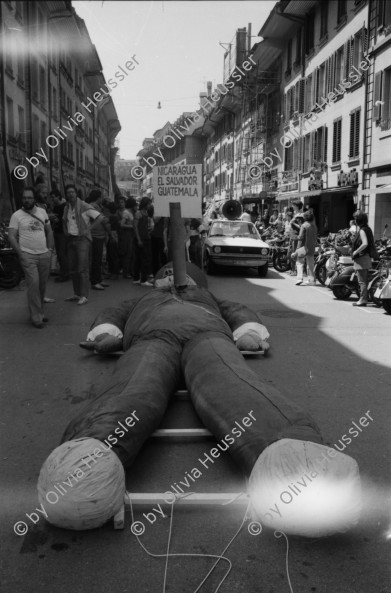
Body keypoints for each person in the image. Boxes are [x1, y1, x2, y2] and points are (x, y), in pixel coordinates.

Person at [8, 187, 54, 328]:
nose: (27, 200)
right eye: (24, 198)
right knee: (33, 284)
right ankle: (36, 317)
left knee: (42, 285)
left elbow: (49, 232)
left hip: (44, 254)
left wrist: (50, 250)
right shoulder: (16, 215)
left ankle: (39, 311)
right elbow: (11, 236)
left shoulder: (42, 212)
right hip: (28, 256)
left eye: (29, 197)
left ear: (34, 199)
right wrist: (21, 254)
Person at [63, 184, 103, 305]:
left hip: (82, 240)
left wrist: (88, 229)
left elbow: (100, 217)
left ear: (76, 194)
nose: (71, 194)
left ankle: (84, 295)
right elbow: (65, 220)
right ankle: (77, 293)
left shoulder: (85, 206)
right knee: (73, 269)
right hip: (71, 239)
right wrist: (65, 231)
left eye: (72, 192)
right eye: (68, 192)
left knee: (83, 269)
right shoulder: (67, 207)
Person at [86, 190, 115, 290]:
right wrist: (110, 233)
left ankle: (98, 279)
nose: (102, 199)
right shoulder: (93, 206)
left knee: (99, 259)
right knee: (96, 259)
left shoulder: (98, 206)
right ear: (98, 197)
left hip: (100, 235)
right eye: (101, 197)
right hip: (96, 235)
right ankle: (95, 281)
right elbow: (103, 220)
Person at [351, 212, 375, 307]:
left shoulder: (362, 230)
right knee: (364, 280)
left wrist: (355, 251)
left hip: (361, 258)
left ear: (358, 220)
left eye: (356, 219)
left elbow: (365, 243)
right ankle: (364, 298)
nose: (355, 221)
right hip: (366, 257)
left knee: (362, 281)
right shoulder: (368, 229)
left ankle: (363, 299)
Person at [49, 190, 69, 283]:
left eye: (53, 197)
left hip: (62, 232)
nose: (52, 199)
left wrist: (56, 220)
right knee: (60, 253)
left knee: (62, 253)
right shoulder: (56, 206)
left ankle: (65, 274)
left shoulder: (64, 206)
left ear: (58, 196)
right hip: (57, 231)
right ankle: (63, 272)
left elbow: (65, 220)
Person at [133, 197, 154, 286]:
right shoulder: (139, 213)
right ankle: (143, 280)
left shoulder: (146, 213)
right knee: (144, 259)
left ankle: (137, 278)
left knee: (140, 258)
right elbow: (135, 227)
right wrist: (138, 239)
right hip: (141, 239)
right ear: (145, 204)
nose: (150, 205)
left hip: (145, 237)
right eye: (149, 204)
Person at [295, 210, 318, 286]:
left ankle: (299, 278)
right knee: (310, 264)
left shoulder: (304, 225)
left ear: (305, 218)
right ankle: (312, 280)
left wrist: (297, 248)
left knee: (299, 262)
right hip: (311, 247)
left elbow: (301, 238)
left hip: (303, 247)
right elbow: (315, 238)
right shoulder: (314, 226)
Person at [117, 196, 135, 279]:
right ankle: (126, 272)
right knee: (127, 254)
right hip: (127, 235)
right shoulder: (126, 212)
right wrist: (131, 226)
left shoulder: (130, 212)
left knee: (130, 254)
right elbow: (122, 224)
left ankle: (129, 271)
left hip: (130, 234)